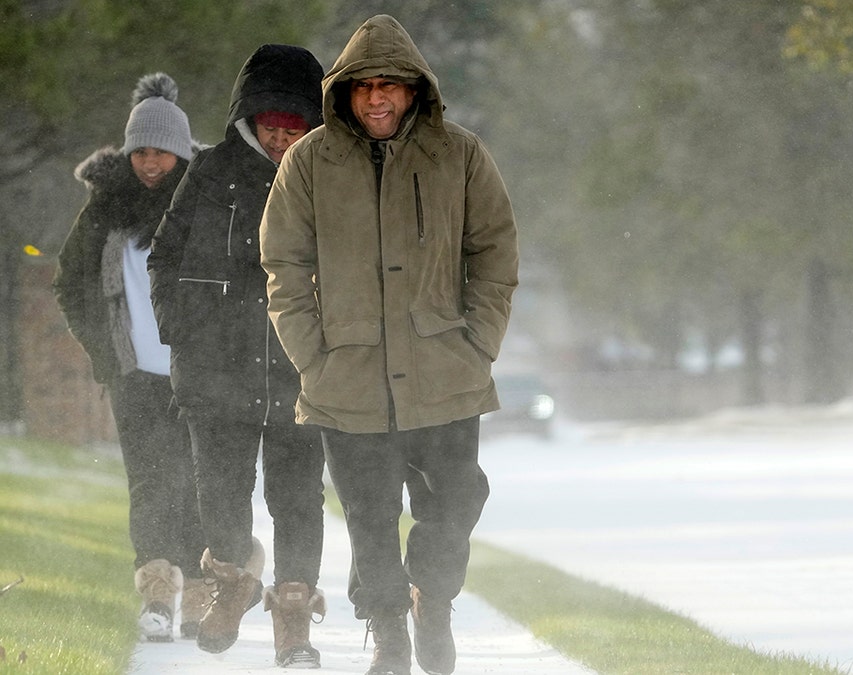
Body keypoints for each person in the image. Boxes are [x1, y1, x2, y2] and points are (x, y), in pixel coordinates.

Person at [259, 15, 519, 675]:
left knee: (458, 497)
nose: (377, 98)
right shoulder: (309, 161)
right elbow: (282, 265)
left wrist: (477, 343)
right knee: (371, 515)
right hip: (347, 374)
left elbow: (494, 252)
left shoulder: (460, 154)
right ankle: (389, 632)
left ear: (415, 91)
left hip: (444, 370)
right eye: (364, 85)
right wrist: (311, 354)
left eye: (391, 85)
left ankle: (431, 594)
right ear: (344, 91)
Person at [147, 44, 328, 667]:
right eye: (272, 126)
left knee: (298, 500)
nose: (281, 139)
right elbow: (164, 255)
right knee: (220, 495)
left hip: (301, 372)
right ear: (250, 120)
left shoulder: (330, 175)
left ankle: (295, 617)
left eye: (294, 127)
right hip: (213, 370)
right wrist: (179, 330)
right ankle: (233, 583)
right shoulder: (209, 170)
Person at [53, 72, 207, 643]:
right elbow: (70, 284)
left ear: (182, 154)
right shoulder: (104, 211)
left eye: (162, 153)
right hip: (134, 374)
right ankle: (158, 596)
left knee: (197, 483)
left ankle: (202, 592)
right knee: (148, 482)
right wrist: (103, 350)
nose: (149, 163)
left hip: (199, 373)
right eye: (140, 151)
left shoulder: (207, 206)